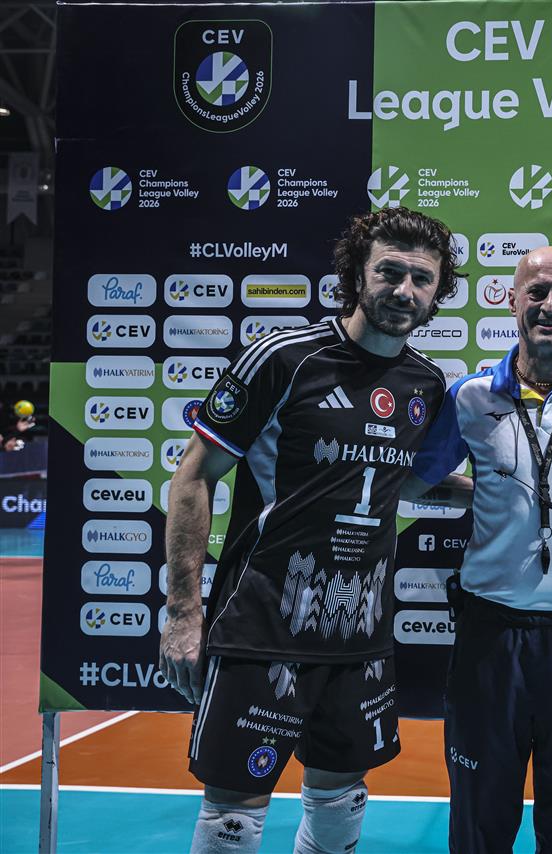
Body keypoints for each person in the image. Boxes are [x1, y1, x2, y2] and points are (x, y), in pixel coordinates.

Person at [159, 207, 460, 854]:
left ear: (438, 292)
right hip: (263, 627)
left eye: (421, 279)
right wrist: (183, 612)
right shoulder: (284, 358)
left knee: (340, 798)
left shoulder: (428, 384)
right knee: (234, 813)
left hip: (360, 636)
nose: (404, 290)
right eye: (389, 272)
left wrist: (506, 488)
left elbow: (401, 481)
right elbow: (192, 477)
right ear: (357, 274)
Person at [407, 246, 552, 853]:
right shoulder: (469, 397)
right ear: (511, 302)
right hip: (490, 635)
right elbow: (411, 481)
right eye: (536, 292)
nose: (550, 305)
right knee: (480, 820)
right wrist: (481, 487)